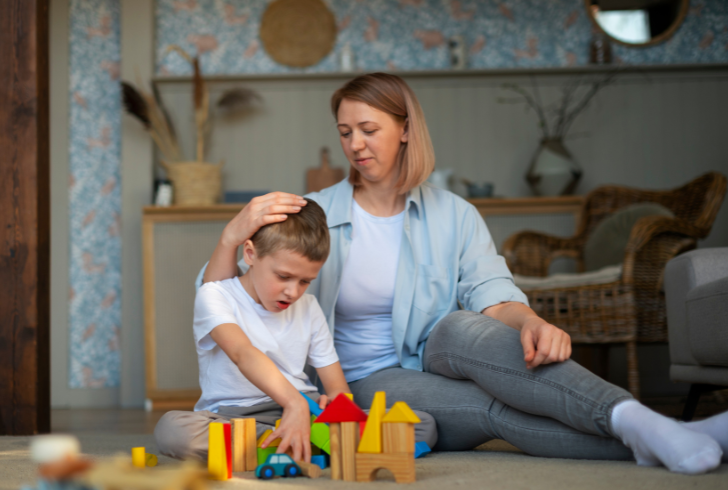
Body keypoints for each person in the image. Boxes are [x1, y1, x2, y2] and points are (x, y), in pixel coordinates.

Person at [192, 73, 727, 474]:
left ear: (405, 129)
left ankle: (646, 424)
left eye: (369, 129)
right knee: (490, 409)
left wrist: (531, 322)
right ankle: (659, 434)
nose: (355, 144)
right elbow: (219, 296)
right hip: (359, 380)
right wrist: (231, 234)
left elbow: (492, 293)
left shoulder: (453, 214)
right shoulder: (312, 212)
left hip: (438, 350)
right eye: (346, 131)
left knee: (463, 325)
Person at [154, 198, 437, 463]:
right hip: (235, 416)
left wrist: (336, 405)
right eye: (283, 276)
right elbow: (242, 353)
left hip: (306, 408)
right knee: (173, 430)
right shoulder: (215, 295)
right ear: (250, 254)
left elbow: (337, 387)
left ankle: (292, 443)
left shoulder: (309, 307)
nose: (293, 292)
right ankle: (301, 443)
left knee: (422, 425)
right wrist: (293, 403)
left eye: (304, 281)